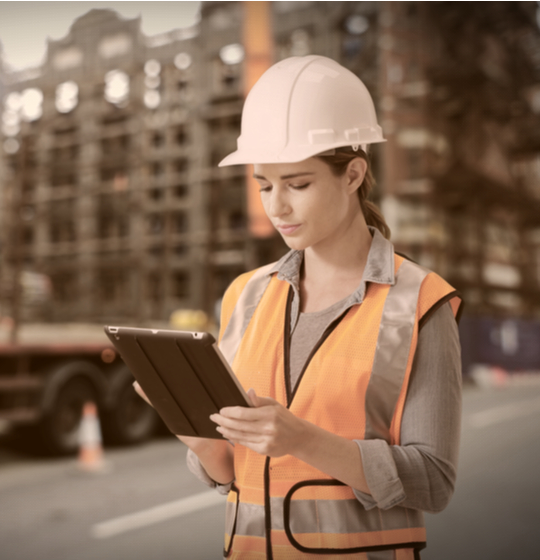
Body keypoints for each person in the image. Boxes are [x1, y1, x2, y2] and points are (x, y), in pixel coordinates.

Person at [136, 55, 462, 559]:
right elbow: (233, 472)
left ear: (353, 174)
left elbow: (434, 483)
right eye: (264, 185)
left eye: (298, 184)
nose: (277, 207)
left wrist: (303, 439)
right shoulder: (246, 294)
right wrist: (194, 432)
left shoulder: (419, 302)